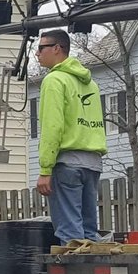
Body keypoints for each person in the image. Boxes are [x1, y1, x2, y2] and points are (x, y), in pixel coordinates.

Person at [34, 28, 108, 245]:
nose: (37, 54)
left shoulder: (55, 80)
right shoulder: (90, 84)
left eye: (40, 48)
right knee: (88, 231)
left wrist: (45, 169)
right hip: (92, 163)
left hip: (67, 163)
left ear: (57, 48)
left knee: (71, 236)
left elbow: (52, 126)